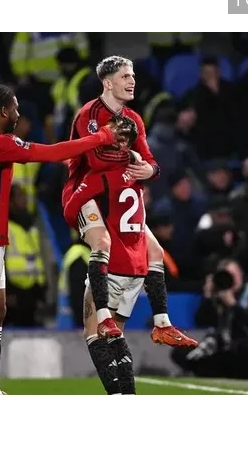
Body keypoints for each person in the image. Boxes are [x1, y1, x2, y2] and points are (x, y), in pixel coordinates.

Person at [0, 84, 129, 395]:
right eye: (15, 109)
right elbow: (50, 152)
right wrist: (102, 137)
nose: (18, 115)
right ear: (3, 111)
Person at [62, 55, 192, 346]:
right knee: (102, 243)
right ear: (108, 83)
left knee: (155, 251)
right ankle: (102, 317)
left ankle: (162, 324)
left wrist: (150, 170)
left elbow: (151, 162)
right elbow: (97, 161)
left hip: (119, 195)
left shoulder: (133, 119)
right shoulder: (88, 115)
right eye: (125, 76)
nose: (132, 81)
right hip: (88, 193)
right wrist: (133, 158)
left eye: (133, 76)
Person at [64, 116, 197, 395]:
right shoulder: (137, 171)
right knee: (117, 336)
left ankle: (116, 395)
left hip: (113, 264)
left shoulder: (102, 175)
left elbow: (71, 207)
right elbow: (152, 169)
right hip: (137, 270)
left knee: (94, 334)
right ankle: (130, 393)